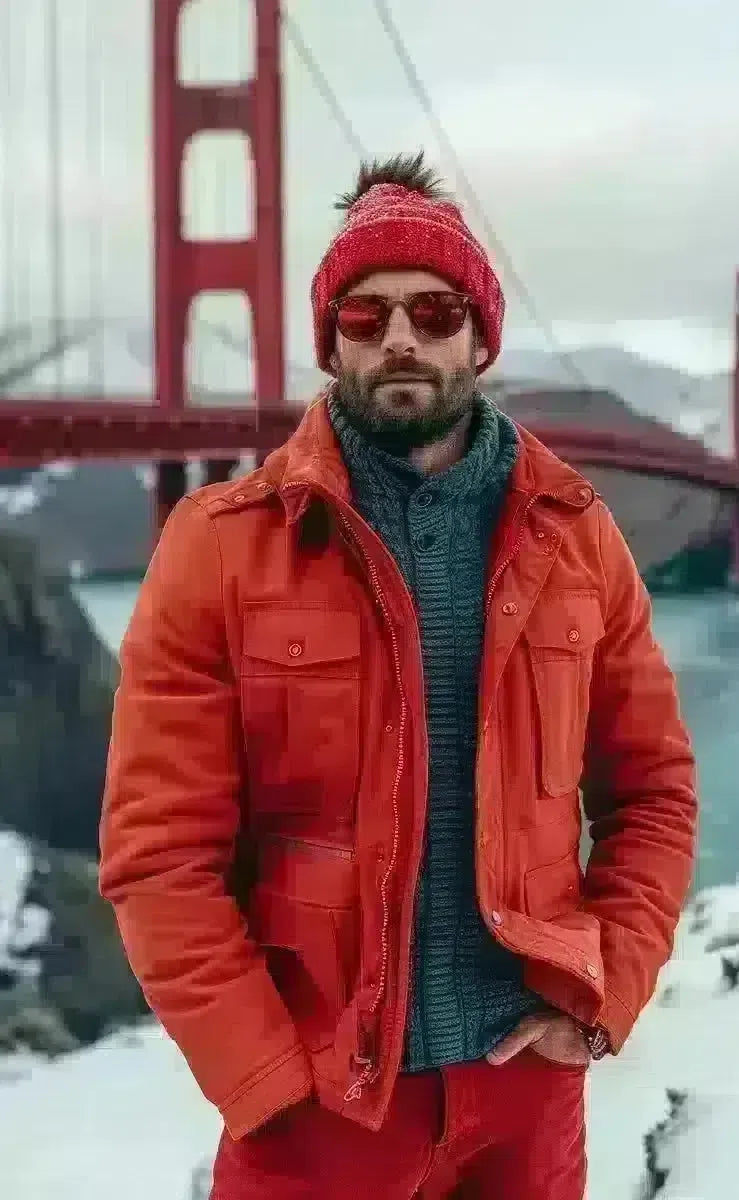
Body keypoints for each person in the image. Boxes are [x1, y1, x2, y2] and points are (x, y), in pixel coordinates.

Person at [99, 151, 698, 1199]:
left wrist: (606, 997)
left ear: (481, 335)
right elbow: (159, 856)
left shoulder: (580, 539)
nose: (402, 339)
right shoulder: (216, 548)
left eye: (433, 308)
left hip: (527, 1104)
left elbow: (653, 793)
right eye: (366, 317)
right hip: (316, 1114)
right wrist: (264, 1081)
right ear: (331, 342)